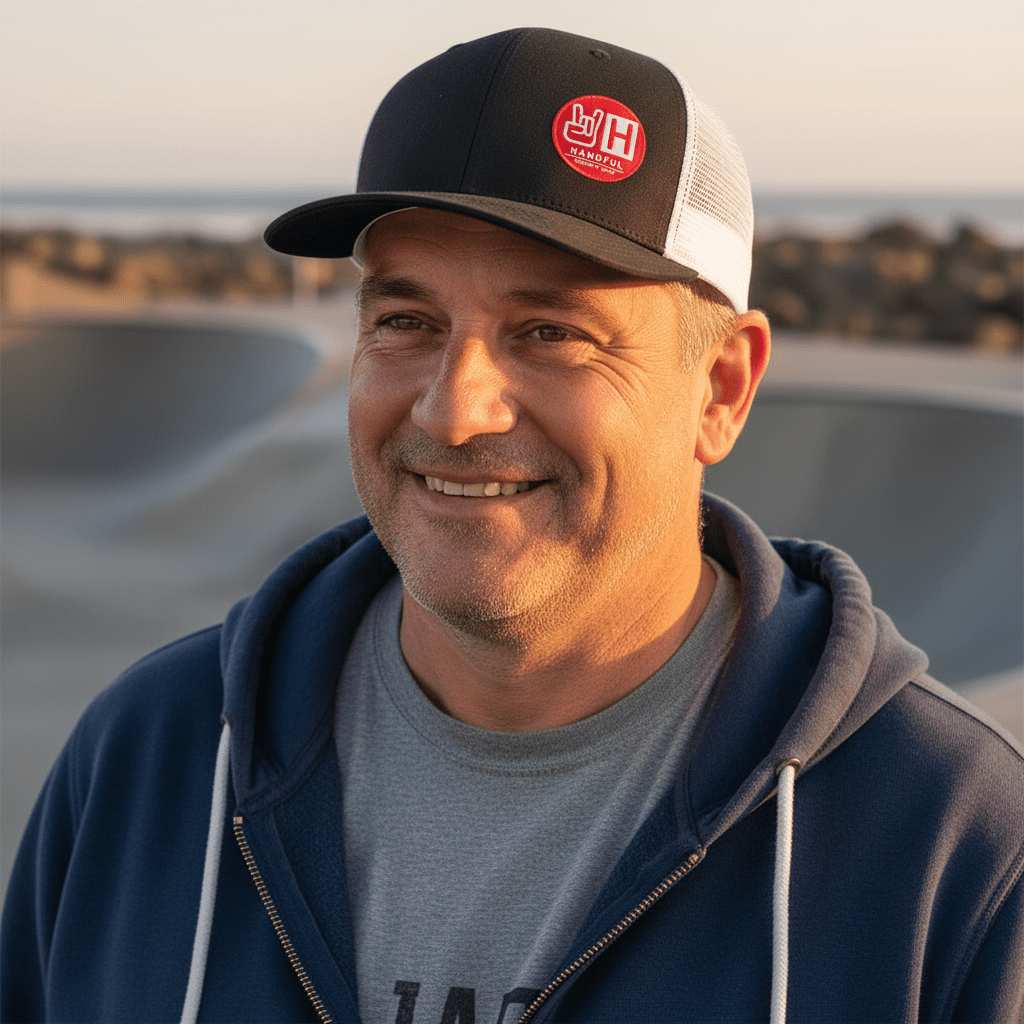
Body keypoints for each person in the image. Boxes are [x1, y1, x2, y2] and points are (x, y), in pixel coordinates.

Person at [2, 26, 1022, 1024]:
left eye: (551, 332)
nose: (454, 410)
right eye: (406, 322)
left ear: (720, 388)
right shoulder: (150, 760)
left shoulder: (954, 849)